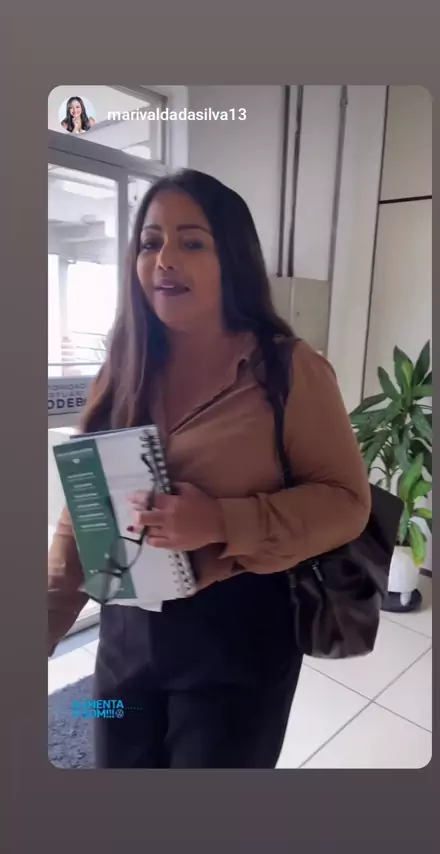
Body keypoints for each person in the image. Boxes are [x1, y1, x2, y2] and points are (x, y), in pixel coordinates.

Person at [47, 168, 371, 769]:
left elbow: (348, 502)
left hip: (238, 643)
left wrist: (221, 521)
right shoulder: (122, 366)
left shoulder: (289, 370)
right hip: (125, 642)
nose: (165, 259)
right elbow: (82, 510)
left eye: (192, 242)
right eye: (150, 242)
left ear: (233, 260)